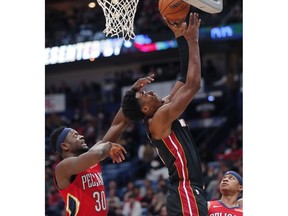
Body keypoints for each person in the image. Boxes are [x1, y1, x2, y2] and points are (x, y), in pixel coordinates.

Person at [121, 13, 207, 215]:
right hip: (184, 188)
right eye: (145, 95)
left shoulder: (162, 108)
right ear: (145, 109)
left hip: (189, 189)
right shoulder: (158, 119)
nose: (150, 92)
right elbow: (194, 85)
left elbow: (184, 78)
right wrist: (193, 41)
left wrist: (180, 37)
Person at [50, 126, 127, 215]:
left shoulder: (90, 159)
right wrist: (109, 145)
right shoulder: (62, 168)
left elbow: (117, 125)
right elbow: (99, 153)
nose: (81, 136)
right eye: (75, 136)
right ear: (65, 146)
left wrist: (128, 113)